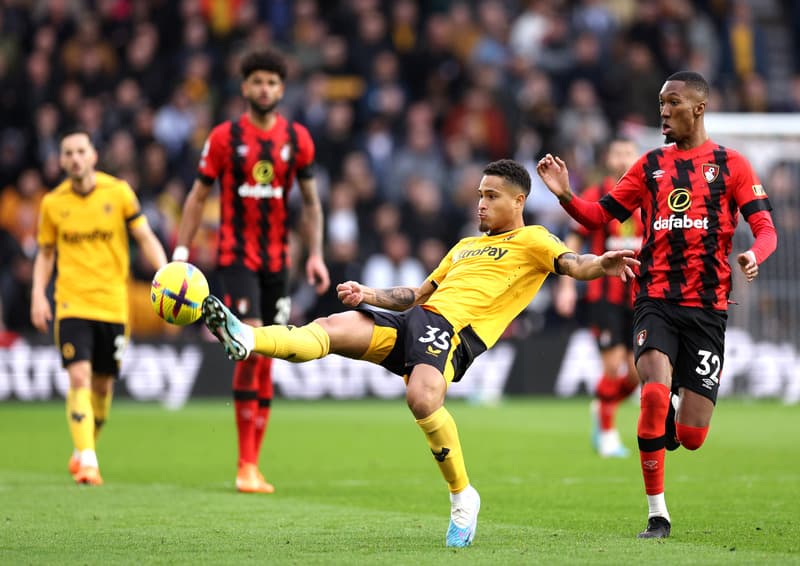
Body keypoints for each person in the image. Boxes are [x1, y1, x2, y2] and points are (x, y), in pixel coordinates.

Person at [200, 159, 639, 547]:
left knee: (422, 399)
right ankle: (248, 338)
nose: (481, 204)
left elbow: (573, 264)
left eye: (491, 196)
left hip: (453, 332)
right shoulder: (465, 247)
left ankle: (462, 496)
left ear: (519, 200)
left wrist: (603, 263)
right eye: (479, 195)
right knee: (330, 328)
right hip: (416, 320)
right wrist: (368, 293)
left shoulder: (535, 240)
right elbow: (415, 293)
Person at [536, 71, 778, 539]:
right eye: (660, 104)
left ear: (699, 108)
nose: (663, 112)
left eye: (672, 103)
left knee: (691, 437)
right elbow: (599, 215)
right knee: (649, 392)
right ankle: (657, 514)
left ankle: (671, 415)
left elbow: (767, 228)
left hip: (708, 309)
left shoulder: (733, 165)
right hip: (655, 300)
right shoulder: (649, 166)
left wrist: (754, 254)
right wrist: (566, 194)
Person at [172, 48, 330, 494]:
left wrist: (315, 254)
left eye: (272, 82)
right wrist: (182, 251)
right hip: (237, 257)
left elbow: (313, 203)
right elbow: (197, 196)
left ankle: (253, 464)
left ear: (282, 89)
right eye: (257, 81)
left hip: (279, 261)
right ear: (244, 87)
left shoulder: (298, 139)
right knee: (251, 342)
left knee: (270, 354)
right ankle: (244, 464)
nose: (264, 89)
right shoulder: (224, 137)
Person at [31, 129, 168, 485]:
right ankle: (89, 460)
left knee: (103, 388)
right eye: (68, 153)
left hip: (113, 304)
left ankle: (84, 447)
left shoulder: (118, 192)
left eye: (80, 151)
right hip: (72, 303)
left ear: (92, 155)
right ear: (61, 161)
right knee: (79, 376)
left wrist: (166, 272)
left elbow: (144, 236)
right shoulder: (53, 203)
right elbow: (46, 255)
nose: (75, 158)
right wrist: (37, 295)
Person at [553, 138, 643, 458]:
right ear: (608, 157)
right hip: (604, 294)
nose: (622, 159)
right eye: (617, 152)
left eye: (628, 153)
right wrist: (565, 285)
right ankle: (607, 432)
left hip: (642, 297)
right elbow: (574, 236)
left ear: (637, 158)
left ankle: (601, 406)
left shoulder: (649, 194)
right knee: (613, 365)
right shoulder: (597, 193)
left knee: (638, 374)